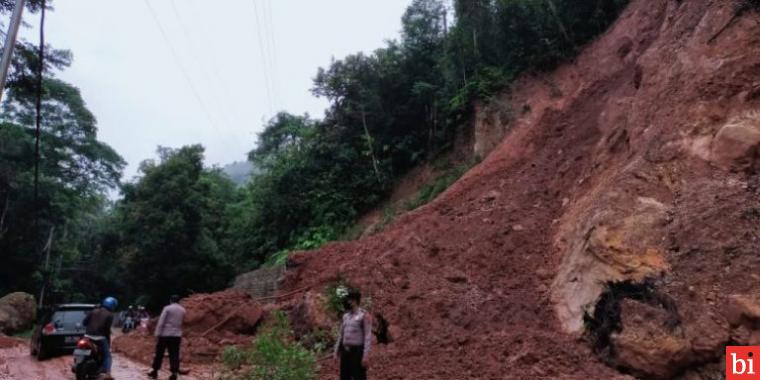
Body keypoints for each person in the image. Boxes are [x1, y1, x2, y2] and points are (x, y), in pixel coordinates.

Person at [333, 289, 372, 380]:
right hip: (345, 352)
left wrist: (365, 356)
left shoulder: (364, 315)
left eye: (349, 299)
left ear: (354, 301)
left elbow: (367, 337)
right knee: (344, 377)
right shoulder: (345, 316)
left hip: (357, 352)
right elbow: (341, 335)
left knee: (359, 376)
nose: (347, 302)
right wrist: (336, 351)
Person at [148, 295, 186, 380]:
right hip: (176, 335)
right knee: (174, 354)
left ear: (170, 300)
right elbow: (183, 322)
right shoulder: (183, 310)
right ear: (179, 301)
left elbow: (161, 322)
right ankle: (174, 373)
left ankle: (155, 371)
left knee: (159, 353)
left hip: (165, 335)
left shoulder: (167, 308)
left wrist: (157, 333)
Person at [83, 296, 118, 379]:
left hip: (87, 336)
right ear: (112, 306)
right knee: (107, 355)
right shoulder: (110, 315)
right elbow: (106, 330)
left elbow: (84, 323)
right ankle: (107, 373)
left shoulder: (93, 311)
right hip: (100, 338)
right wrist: (108, 341)